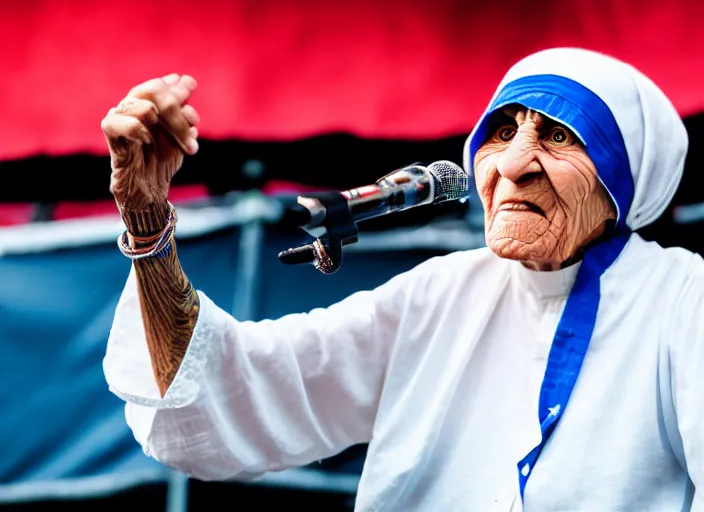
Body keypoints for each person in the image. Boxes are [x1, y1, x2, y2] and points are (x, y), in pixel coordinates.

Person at [102, 48, 704, 511]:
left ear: (619, 181)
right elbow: (229, 390)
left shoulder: (683, 299)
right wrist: (147, 219)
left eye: (559, 135)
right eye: (500, 133)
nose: (514, 165)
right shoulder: (438, 296)